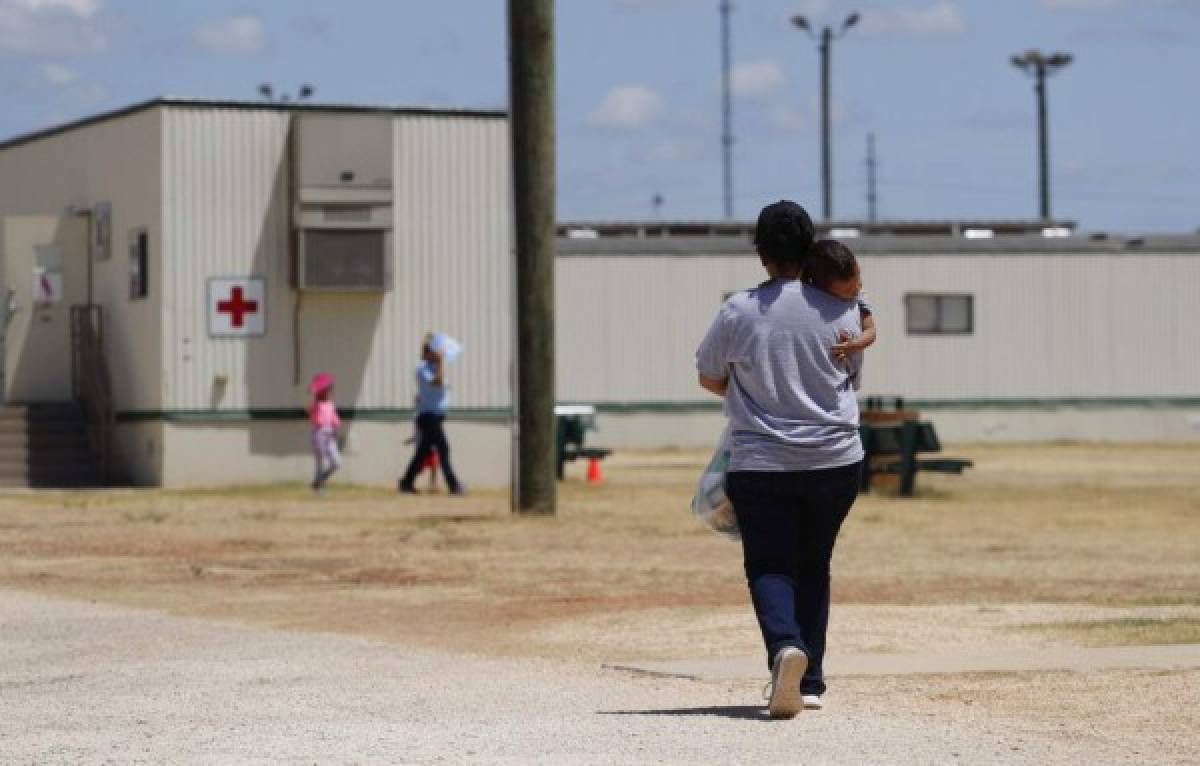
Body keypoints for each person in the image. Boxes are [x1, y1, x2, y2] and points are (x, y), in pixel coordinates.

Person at [695, 200, 865, 719]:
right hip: (836, 458)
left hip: (762, 461)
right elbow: (850, 380)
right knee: (814, 562)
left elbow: (708, 375)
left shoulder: (738, 310)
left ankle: (785, 649)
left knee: (770, 563)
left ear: (762, 254)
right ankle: (810, 682)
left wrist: (741, 386)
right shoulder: (844, 310)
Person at [398, 334, 464, 495]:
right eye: (433, 351)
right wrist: (440, 363)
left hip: (436, 416)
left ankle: (406, 482)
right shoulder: (422, 368)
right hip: (429, 417)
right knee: (443, 449)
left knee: (423, 453)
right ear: (427, 353)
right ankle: (454, 485)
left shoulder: (435, 368)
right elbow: (437, 382)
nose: (437, 354)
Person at [306, 371, 342, 493]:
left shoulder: (331, 404)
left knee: (336, 462)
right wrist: (313, 396)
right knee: (321, 461)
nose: (329, 392)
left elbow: (335, 420)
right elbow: (310, 414)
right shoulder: (316, 405)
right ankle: (320, 487)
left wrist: (336, 430)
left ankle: (320, 480)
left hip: (330, 435)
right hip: (319, 433)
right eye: (327, 389)